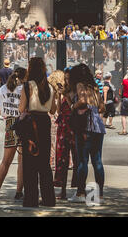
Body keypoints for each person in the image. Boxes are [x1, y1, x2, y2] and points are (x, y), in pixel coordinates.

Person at [18, 57, 57, 207]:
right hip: (44, 123)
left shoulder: (28, 86)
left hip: (31, 123)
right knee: (44, 164)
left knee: (30, 163)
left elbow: (21, 108)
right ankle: (48, 199)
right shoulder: (50, 87)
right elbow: (53, 110)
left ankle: (31, 199)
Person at [68, 64, 106, 205]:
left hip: (85, 125)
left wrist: (73, 106)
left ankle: (81, 193)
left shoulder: (80, 85)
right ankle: (100, 195)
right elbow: (102, 107)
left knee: (83, 160)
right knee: (97, 161)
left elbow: (82, 101)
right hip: (98, 125)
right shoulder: (95, 87)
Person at [0, 67, 27, 200]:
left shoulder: (3, 89)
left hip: (10, 123)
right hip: (22, 122)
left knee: (6, 160)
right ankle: (19, 191)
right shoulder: (24, 89)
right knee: (22, 161)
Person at [50, 69, 77, 200]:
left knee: (77, 158)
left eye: (68, 79)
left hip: (73, 126)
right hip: (63, 126)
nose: (66, 81)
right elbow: (59, 110)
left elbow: (74, 108)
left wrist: (65, 96)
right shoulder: (64, 93)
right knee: (62, 159)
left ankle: (79, 189)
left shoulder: (76, 91)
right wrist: (59, 97)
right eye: (65, 79)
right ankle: (63, 190)